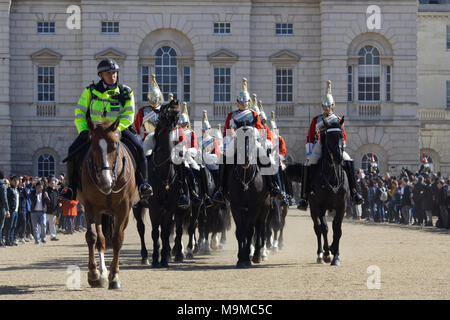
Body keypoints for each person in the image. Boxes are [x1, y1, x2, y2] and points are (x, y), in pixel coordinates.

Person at [60, 58, 152, 201]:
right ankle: (71, 188)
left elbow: (129, 115)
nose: (112, 75)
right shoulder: (90, 91)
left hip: (118, 130)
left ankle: (143, 185)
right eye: (108, 73)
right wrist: (84, 130)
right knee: (72, 150)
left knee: (140, 149)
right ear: (101, 75)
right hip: (94, 131)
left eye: (114, 72)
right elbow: (80, 113)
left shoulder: (126, 92)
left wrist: (116, 130)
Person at [213, 78, 282, 203]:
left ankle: (274, 186)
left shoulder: (254, 114)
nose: (244, 104)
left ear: (249, 102)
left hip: (252, 140)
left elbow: (260, 130)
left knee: (269, 159)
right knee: (223, 159)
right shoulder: (232, 115)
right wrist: (232, 136)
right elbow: (228, 130)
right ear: (237, 102)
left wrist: (252, 134)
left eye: (246, 102)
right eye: (241, 102)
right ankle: (221, 189)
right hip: (236, 140)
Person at [297, 80, 363, 210]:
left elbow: (343, 136)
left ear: (333, 106)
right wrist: (309, 152)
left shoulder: (338, 120)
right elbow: (310, 136)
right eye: (324, 105)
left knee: (349, 161)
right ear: (322, 106)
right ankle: (304, 197)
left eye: (329, 105)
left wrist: (341, 147)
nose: (327, 108)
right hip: (320, 145)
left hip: (335, 147)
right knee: (308, 165)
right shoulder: (316, 120)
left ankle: (355, 192)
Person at [134, 74, 189, 209]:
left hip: (163, 137)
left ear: (160, 98)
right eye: (151, 98)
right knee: (139, 158)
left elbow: (173, 122)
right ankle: (139, 188)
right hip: (148, 137)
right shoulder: (142, 111)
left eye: (156, 98)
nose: (153, 100)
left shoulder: (164, 110)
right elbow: (137, 126)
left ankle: (183, 190)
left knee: (180, 159)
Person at [5, 176, 20, 246]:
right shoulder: (9, 190)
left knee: (14, 226)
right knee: (9, 226)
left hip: (16, 210)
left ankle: (11, 239)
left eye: (17, 180)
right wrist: (7, 209)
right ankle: (7, 240)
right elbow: (7, 200)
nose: (17, 182)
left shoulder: (16, 190)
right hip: (11, 210)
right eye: (15, 180)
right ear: (11, 181)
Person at [0, 170, 10, 248]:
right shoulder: (2, 185)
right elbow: (4, 198)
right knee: (0, 226)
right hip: (1, 208)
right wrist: (7, 209)